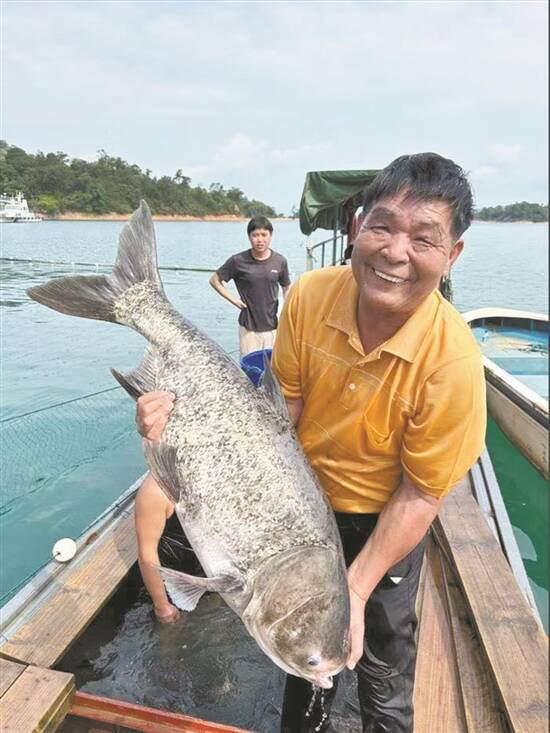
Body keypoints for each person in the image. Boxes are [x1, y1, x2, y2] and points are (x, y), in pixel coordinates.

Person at [135, 152, 486, 733]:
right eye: (383, 227)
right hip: (299, 503)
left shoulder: (453, 365)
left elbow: (421, 495)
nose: (396, 252)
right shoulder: (311, 295)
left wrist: (355, 587)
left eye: (424, 239)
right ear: (358, 227)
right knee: (307, 668)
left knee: (384, 670)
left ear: (452, 254)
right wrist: (175, 433)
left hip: (382, 518)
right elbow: (279, 421)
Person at [208, 216, 291, 357]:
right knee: (249, 367)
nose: (260, 240)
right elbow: (214, 280)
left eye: (264, 235)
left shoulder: (279, 261)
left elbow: (286, 287)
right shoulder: (238, 261)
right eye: (255, 235)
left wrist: (286, 311)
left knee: (273, 367)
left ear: (271, 236)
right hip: (249, 328)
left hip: (273, 327)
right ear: (249, 237)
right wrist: (234, 300)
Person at [134, 473, 179, 623]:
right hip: (173, 592)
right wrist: (162, 606)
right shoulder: (155, 490)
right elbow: (147, 555)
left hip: (209, 581)